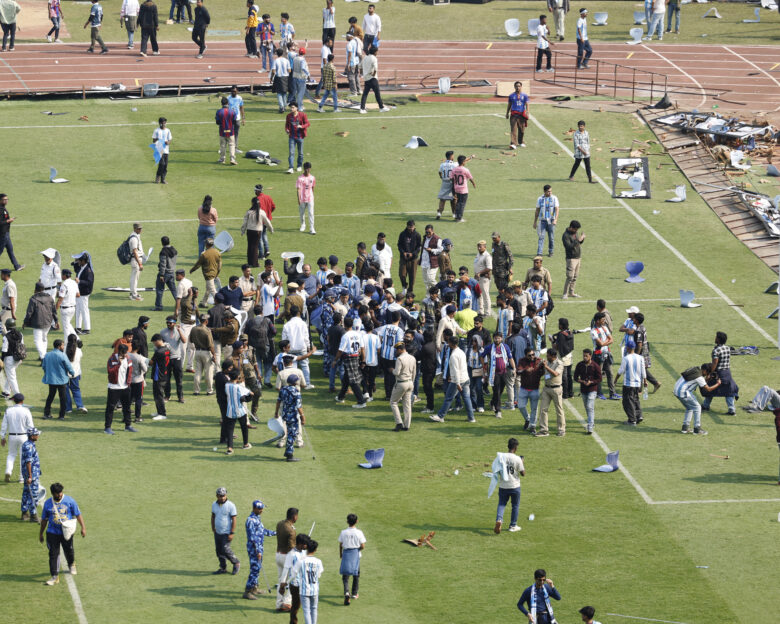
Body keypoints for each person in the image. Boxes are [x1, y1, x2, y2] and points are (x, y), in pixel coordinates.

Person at [39, 482, 86, 586]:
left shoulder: (70, 501)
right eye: (57, 493)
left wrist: (83, 528)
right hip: (52, 533)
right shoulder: (48, 504)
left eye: (60, 492)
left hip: (66, 531)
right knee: (53, 554)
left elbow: (78, 514)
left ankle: (71, 563)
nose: (60, 494)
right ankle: (55, 576)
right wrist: (41, 533)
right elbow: (44, 520)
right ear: (53, 494)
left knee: (69, 550)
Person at [674, 363, 720, 435]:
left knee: (690, 408)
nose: (707, 374)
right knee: (697, 407)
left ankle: (685, 428)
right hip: (683, 392)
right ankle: (697, 429)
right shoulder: (699, 378)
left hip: (677, 390)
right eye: (708, 372)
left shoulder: (696, 368)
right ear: (704, 370)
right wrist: (718, 384)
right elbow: (708, 389)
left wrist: (706, 379)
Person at [243, 500, 276, 600]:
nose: (261, 510)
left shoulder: (257, 518)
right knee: (255, 569)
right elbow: (252, 538)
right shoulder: (250, 521)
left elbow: (262, 531)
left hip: (259, 548)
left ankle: (254, 587)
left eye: (262, 508)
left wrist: (275, 533)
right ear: (254, 508)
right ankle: (247, 591)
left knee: (257, 568)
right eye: (259, 509)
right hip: (254, 549)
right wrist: (258, 551)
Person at [701, 331, 738, 416]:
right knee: (729, 391)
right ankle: (732, 409)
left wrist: (710, 373)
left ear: (718, 339)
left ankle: (706, 406)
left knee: (710, 387)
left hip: (719, 373)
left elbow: (715, 363)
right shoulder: (728, 348)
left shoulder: (716, 350)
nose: (715, 338)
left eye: (716, 337)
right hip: (727, 373)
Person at [493, 437, 525, 534]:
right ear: (515, 448)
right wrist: (522, 462)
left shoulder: (500, 457)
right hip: (515, 486)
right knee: (515, 505)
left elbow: (496, 470)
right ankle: (513, 525)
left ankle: (499, 520)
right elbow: (523, 473)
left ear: (508, 446)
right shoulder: (517, 459)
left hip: (503, 486)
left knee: (502, 504)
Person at [104, 344, 136, 434]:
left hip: (125, 387)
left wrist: (128, 383)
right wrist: (119, 364)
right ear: (119, 352)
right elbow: (110, 371)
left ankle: (128, 425)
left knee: (127, 408)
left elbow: (130, 371)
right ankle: (107, 428)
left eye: (126, 353)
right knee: (110, 408)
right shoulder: (112, 359)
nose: (125, 355)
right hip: (114, 388)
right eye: (124, 353)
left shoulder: (128, 359)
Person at [1, 393, 32, 482]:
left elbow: (4, 425)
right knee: (23, 457)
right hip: (24, 436)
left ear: (14, 401)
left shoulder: (8, 410)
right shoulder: (26, 410)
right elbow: (30, 426)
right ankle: (22, 478)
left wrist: (3, 437)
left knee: (11, 454)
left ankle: (8, 471)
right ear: (22, 401)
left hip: (12, 436)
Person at [292, 539, 323, 624]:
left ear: (306, 548)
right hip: (315, 589)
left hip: (304, 590)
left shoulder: (301, 561)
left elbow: (294, 573)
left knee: (306, 610)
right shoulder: (318, 561)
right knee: (314, 608)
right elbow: (319, 575)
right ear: (315, 550)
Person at [41, 339, 74, 421]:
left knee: (50, 397)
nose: (63, 347)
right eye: (63, 345)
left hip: (51, 379)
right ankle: (61, 415)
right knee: (63, 398)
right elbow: (68, 366)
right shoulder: (62, 355)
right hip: (62, 380)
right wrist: (72, 372)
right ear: (59, 346)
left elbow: (44, 366)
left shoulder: (47, 354)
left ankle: (46, 413)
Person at [211, 487, 240, 576]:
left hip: (226, 532)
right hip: (217, 532)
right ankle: (223, 568)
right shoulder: (214, 505)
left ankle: (236, 563)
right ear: (217, 496)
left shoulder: (231, 505)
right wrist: (213, 527)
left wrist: (232, 532)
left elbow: (234, 519)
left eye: (223, 496)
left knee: (225, 549)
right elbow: (213, 516)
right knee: (219, 550)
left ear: (226, 495)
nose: (222, 497)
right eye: (220, 496)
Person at [616, 340, 645, 426]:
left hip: (628, 384)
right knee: (635, 399)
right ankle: (639, 415)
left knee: (627, 402)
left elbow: (621, 370)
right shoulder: (640, 358)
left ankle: (632, 420)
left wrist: (616, 379)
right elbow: (643, 371)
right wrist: (645, 381)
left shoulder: (626, 358)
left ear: (628, 348)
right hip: (638, 384)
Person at [23, 283, 57, 359]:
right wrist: (56, 321)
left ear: (35, 289)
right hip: (48, 322)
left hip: (37, 323)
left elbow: (29, 312)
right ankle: (43, 354)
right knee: (44, 338)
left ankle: (43, 357)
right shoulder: (50, 298)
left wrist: (25, 322)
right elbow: (54, 311)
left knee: (37, 340)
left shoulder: (33, 299)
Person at [536, 348, 565, 437]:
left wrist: (546, 367)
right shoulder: (547, 362)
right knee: (543, 409)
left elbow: (556, 374)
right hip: (546, 388)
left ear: (553, 356)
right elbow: (541, 371)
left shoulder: (559, 363)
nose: (546, 357)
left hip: (556, 389)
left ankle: (561, 430)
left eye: (548, 355)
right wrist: (540, 365)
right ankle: (544, 430)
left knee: (559, 410)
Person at [339, 513, 366, 606]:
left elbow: (341, 544)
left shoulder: (343, 532)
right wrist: (357, 550)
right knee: (356, 574)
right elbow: (362, 545)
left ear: (347, 521)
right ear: (357, 521)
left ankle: (347, 592)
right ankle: (354, 593)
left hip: (346, 553)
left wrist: (341, 554)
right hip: (355, 554)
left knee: (345, 576)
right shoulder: (359, 532)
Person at [280, 533, 309, 619]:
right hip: (295, 582)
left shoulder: (304, 551)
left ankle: (287, 604)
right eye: (305, 544)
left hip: (304, 581)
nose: (306, 545)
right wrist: (282, 583)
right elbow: (286, 568)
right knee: (296, 606)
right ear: (300, 544)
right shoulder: (291, 554)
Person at [276, 374, 304, 462]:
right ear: (295, 382)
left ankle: (288, 451)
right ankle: (289, 454)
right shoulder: (296, 391)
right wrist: (303, 416)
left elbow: (278, 402)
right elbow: (299, 406)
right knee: (292, 434)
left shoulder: (283, 390)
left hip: (284, 414)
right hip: (293, 415)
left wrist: (276, 412)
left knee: (288, 432)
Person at [274, 507, 298, 612]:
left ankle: (279, 603)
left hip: (278, 555)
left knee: (281, 581)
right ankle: (287, 603)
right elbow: (292, 548)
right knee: (290, 581)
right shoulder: (291, 531)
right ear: (294, 516)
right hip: (286, 558)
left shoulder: (279, 524)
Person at [241, 196, 274, 268]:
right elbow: (267, 221)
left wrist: (242, 230)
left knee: (249, 246)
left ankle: (249, 262)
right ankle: (255, 263)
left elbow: (244, 223)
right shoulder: (261, 212)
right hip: (258, 231)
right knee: (255, 247)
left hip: (249, 231)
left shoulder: (249, 212)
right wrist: (271, 229)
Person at [389, 342, 416, 430]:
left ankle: (399, 422)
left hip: (401, 383)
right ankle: (407, 425)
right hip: (410, 383)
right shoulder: (412, 357)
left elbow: (397, 372)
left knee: (393, 402)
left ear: (400, 349)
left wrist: (392, 370)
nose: (396, 352)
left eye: (397, 350)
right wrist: (412, 382)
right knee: (407, 405)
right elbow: (414, 373)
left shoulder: (399, 359)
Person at [574, 349, 601, 433]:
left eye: (586, 356)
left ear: (590, 356)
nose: (584, 357)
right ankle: (591, 422)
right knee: (587, 407)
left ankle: (590, 425)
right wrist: (582, 381)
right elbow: (575, 377)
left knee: (589, 406)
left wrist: (591, 382)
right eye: (583, 355)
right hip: (583, 390)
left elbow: (599, 379)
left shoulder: (595, 366)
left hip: (592, 389)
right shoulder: (580, 365)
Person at [516, 347, 544, 431]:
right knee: (520, 406)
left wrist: (543, 367)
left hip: (535, 389)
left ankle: (533, 425)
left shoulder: (539, 360)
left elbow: (542, 372)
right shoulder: (522, 361)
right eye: (529, 355)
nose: (532, 356)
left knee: (534, 409)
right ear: (525, 355)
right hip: (524, 388)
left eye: (533, 354)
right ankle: (527, 419)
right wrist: (525, 370)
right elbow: (518, 371)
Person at [590, 312, 617, 400]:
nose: (604, 321)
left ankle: (612, 393)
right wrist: (605, 343)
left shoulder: (604, 327)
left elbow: (611, 340)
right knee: (598, 375)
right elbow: (600, 343)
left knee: (610, 373)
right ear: (597, 321)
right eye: (603, 319)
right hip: (598, 355)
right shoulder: (593, 331)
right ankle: (599, 393)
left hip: (606, 353)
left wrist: (603, 344)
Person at [359, 45, 390, 114]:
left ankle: (362, 109)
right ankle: (381, 108)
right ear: (374, 52)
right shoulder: (374, 58)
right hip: (373, 79)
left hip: (366, 79)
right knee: (377, 94)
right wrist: (373, 74)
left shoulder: (365, 57)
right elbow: (376, 68)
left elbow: (360, 66)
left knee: (365, 94)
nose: (377, 53)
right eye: (377, 51)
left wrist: (361, 74)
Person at [20, 427, 41, 523]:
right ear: (32, 436)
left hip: (29, 474)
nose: (38, 436)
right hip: (31, 475)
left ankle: (24, 514)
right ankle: (33, 515)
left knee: (26, 493)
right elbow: (28, 462)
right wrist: (30, 476)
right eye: (36, 434)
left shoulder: (28, 444)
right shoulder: (29, 446)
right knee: (34, 494)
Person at [152, 236, 177, 312]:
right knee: (174, 290)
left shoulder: (163, 252)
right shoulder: (174, 250)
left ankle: (158, 306)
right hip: (172, 272)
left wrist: (161, 275)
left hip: (165, 274)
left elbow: (163, 264)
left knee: (159, 290)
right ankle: (181, 305)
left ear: (162, 242)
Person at [534, 185, 559, 257]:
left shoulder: (554, 198)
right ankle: (539, 253)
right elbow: (537, 210)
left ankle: (551, 251)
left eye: (551, 191)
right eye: (548, 191)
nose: (550, 192)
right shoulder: (540, 199)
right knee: (541, 237)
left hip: (551, 221)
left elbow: (557, 209)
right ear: (544, 191)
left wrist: (555, 219)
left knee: (551, 237)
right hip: (542, 221)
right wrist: (535, 222)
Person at [397, 220, 421, 296]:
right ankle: (404, 287)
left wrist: (413, 254)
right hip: (403, 258)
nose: (411, 228)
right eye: (409, 227)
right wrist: (403, 252)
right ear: (407, 226)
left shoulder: (417, 235)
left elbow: (419, 247)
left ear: (414, 226)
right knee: (402, 274)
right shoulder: (402, 234)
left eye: (412, 227)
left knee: (412, 276)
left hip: (413, 259)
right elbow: (399, 245)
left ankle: (410, 291)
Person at [64, 334, 86, 414]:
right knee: (76, 389)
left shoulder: (64, 349)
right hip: (75, 373)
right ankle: (80, 405)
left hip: (65, 373)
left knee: (65, 390)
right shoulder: (78, 350)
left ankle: (68, 408)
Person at [0, 195, 23, 271]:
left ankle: (17, 266)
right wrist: (8, 221)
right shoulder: (0, 209)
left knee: (10, 250)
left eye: (7, 199)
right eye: (4, 199)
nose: (6, 201)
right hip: (3, 234)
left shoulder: (3, 208)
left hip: (6, 233)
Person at [561, 220, 584, 299]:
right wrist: (578, 240)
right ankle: (565, 294)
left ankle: (571, 292)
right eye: (575, 229)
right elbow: (569, 246)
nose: (576, 231)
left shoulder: (575, 233)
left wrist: (582, 239)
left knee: (575, 276)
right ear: (571, 227)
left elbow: (578, 243)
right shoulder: (565, 235)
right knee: (570, 277)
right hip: (571, 259)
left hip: (578, 258)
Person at [449, 155, 475, 223]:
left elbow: (451, 178)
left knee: (458, 203)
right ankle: (459, 218)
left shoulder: (454, 169)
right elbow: (470, 178)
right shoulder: (465, 169)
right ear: (463, 162)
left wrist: (454, 185)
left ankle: (456, 216)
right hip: (463, 189)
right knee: (462, 204)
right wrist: (473, 183)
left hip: (456, 188)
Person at [72, 252, 93, 335]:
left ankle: (87, 328)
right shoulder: (82, 267)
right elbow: (76, 269)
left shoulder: (88, 270)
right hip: (79, 292)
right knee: (78, 310)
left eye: (79, 260)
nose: (78, 262)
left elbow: (89, 282)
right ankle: (78, 327)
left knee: (84, 310)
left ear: (84, 261)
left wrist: (79, 281)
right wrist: (75, 262)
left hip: (84, 293)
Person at [285, 102, 309, 175]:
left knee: (300, 153)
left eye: (293, 107)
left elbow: (308, 123)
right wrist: (287, 130)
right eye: (290, 108)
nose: (291, 109)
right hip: (291, 137)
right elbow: (286, 125)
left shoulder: (302, 115)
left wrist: (301, 126)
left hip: (300, 137)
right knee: (291, 152)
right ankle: (291, 167)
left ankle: (299, 165)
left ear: (296, 108)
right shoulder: (288, 116)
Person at [506, 81, 529, 150]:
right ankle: (513, 143)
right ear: (514, 87)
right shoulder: (511, 96)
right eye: (516, 86)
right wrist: (507, 113)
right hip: (514, 115)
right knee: (513, 130)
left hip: (521, 114)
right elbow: (509, 105)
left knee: (522, 130)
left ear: (521, 87)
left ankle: (521, 142)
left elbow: (527, 103)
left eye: (519, 86)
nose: (517, 87)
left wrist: (527, 111)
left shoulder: (524, 95)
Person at [215, 97, 238, 166]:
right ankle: (232, 159)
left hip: (222, 131)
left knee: (222, 146)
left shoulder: (219, 112)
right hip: (231, 131)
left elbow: (217, 122)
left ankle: (222, 159)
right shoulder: (232, 111)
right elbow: (234, 121)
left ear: (221, 103)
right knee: (232, 145)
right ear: (228, 103)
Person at [296, 162, 316, 235]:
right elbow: (298, 189)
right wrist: (299, 199)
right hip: (302, 198)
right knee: (302, 213)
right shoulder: (300, 178)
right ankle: (303, 224)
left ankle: (312, 228)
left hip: (310, 198)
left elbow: (313, 187)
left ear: (310, 169)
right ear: (304, 169)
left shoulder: (312, 178)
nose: (307, 170)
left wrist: (312, 196)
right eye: (306, 168)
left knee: (311, 213)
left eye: (308, 168)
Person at [474, 240, 492, 316]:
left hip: (484, 278)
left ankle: (487, 312)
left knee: (485, 295)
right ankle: (480, 311)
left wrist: (479, 273)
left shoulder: (487, 256)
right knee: (479, 295)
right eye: (478, 246)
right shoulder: (478, 254)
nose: (478, 248)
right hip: (478, 278)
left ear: (485, 247)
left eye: (480, 246)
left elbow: (489, 268)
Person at [436, 151, 457, 219]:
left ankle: (439, 213)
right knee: (453, 199)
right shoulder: (454, 164)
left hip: (444, 183)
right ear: (451, 156)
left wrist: (441, 177)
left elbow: (439, 172)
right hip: (451, 184)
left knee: (442, 199)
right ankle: (454, 214)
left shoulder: (442, 164)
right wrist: (471, 157)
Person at [270, 47, 291, 113]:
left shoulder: (276, 60)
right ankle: (284, 106)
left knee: (279, 93)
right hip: (285, 77)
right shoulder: (286, 60)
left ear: (277, 54)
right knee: (284, 92)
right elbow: (289, 70)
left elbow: (273, 71)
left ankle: (281, 106)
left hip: (278, 77)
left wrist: (271, 78)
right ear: (282, 53)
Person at [128, 223, 144, 301]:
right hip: (136, 260)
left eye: (141, 228)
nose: (140, 230)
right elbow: (134, 252)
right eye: (138, 229)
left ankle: (132, 293)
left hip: (136, 259)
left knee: (134, 277)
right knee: (135, 278)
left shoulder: (135, 235)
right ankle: (134, 295)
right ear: (134, 229)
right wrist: (140, 263)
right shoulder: (134, 239)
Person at [152, 117, 171, 184]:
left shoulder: (168, 130)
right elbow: (153, 140)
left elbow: (170, 140)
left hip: (166, 150)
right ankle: (157, 177)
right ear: (159, 123)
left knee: (165, 165)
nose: (163, 124)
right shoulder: (156, 131)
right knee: (162, 164)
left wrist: (167, 142)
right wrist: (159, 140)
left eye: (164, 123)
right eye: (162, 123)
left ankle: (163, 179)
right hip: (159, 150)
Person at [290, 46, 310, 111]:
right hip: (301, 78)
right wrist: (308, 75)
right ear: (304, 53)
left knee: (298, 92)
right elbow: (303, 68)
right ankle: (300, 107)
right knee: (300, 93)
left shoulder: (295, 58)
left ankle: (300, 105)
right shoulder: (303, 60)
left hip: (295, 77)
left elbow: (292, 67)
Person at [227, 86, 245, 153]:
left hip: (237, 118)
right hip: (229, 119)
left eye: (234, 91)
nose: (233, 92)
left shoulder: (239, 98)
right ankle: (224, 147)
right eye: (232, 91)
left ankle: (235, 148)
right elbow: (225, 108)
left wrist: (243, 118)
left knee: (236, 133)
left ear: (237, 91)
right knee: (228, 133)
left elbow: (241, 108)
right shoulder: (228, 98)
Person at [345, 32, 361, 97]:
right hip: (357, 61)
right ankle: (359, 90)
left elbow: (349, 54)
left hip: (352, 63)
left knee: (351, 78)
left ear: (350, 36)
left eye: (346, 36)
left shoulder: (349, 44)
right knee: (356, 76)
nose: (346, 38)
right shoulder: (356, 42)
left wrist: (348, 64)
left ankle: (354, 92)